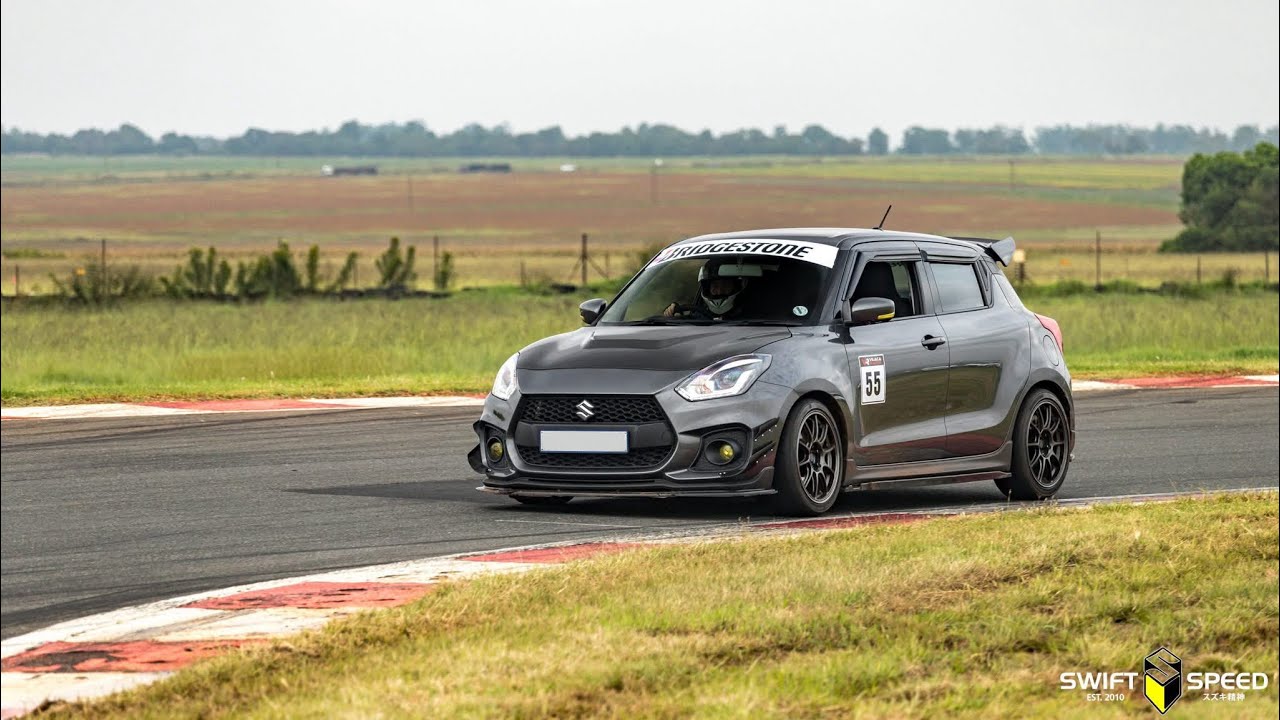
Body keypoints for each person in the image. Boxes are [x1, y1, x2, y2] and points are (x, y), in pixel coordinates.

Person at [663, 258, 749, 320]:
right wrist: (672, 313)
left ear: (736, 286)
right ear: (707, 288)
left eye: (725, 285)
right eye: (715, 286)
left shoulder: (752, 316)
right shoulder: (699, 315)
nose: (719, 291)